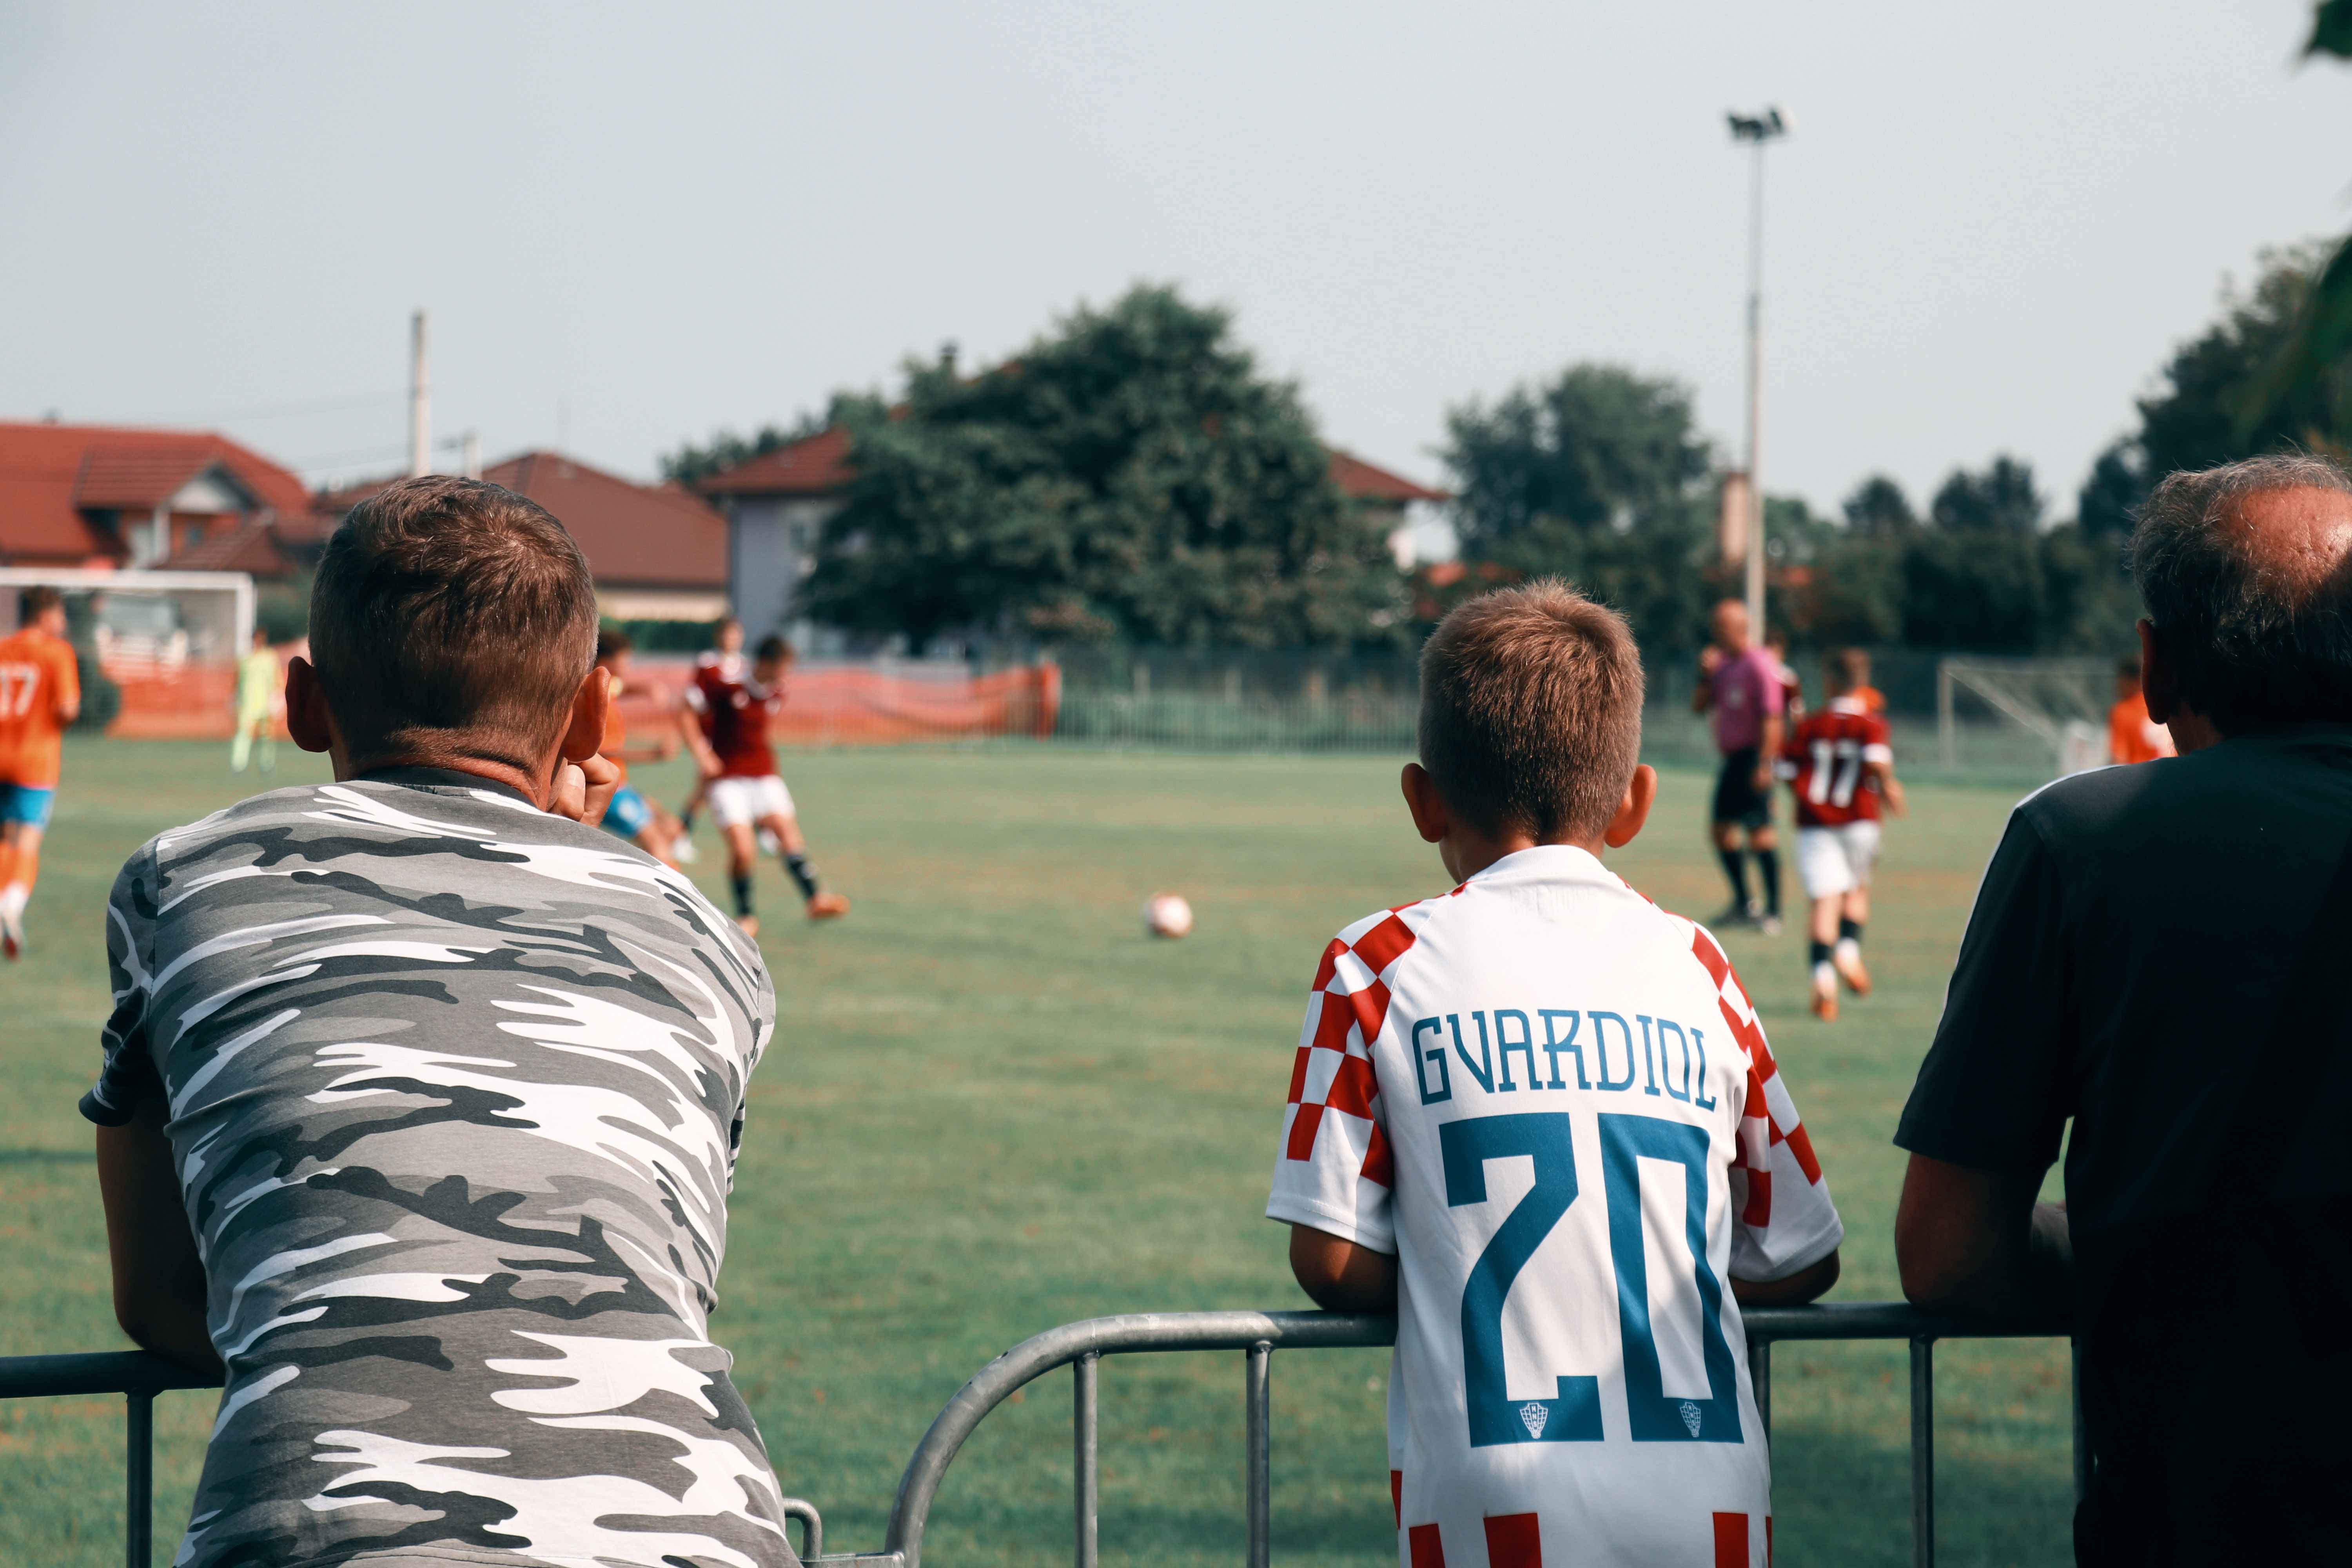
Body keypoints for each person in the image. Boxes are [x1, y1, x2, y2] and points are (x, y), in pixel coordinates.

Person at [83, 476, 802, 1568]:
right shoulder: (707, 936)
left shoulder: (184, 883)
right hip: (691, 1531)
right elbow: (638, 1279)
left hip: (320, 1532)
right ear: (595, 717)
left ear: (302, 703)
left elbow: (164, 1301)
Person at [1272, 581, 1842, 1566]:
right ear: (1635, 802)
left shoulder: (1377, 962)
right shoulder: (1698, 962)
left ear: (1422, 799)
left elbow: (1328, 1259)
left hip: (1495, 1505)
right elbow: (1799, 1250)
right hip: (1712, 1507)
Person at [1893, 454, 2352, 1564]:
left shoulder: (2080, 844)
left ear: (2150, 669)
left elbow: (1952, 1251)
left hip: (2194, 1512)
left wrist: (2143, 1247)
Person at [681, 632, 849, 935]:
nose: (786, 675)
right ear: (766, 663)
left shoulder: (776, 693)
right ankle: (746, 915)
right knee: (744, 851)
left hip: (764, 775)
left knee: (788, 835)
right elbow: (686, 714)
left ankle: (816, 898)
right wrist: (702, 754)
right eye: (783, 667)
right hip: (727, 780)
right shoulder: (726, 686)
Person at [1780, 648, 1905, 1022]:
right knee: (1857, 888)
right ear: (1863, 682)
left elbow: (1786, 770)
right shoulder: (1870, 724)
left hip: (1816, 823)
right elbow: (1878, 764)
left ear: (1829, 681)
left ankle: (1823, 981)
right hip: (1860, 821)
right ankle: (1849, 952)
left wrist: (1802, 797)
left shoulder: (1810, 726)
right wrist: (1891, 790)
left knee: (1823, 902)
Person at [1693, 597, 1786, 932]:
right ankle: (1744, 902)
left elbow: (1772, 718)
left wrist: (1765, 763)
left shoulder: (1759, 665)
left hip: (1753, 758)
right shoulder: (1721, 668)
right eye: (1715, 626)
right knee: (1720, 831)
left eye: (1723, 627)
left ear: (1740, 628)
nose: (1717, 633)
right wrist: (1705, 677)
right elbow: (1699, 707)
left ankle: (1774, 912)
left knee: (1761, 835)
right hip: (1731, 761)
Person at [0, 585, 82, 959]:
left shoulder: (4, 649)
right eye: (61, 614)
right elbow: (67, 707)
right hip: (34, 760)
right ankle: (12, 906)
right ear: (46, 614)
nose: (63, 623)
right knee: (27, 841)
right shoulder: (56, 652)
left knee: (5, 839)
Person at [594, 626, 684, 865]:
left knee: (672, 828)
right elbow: (598, 752)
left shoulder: (607, 687)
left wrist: (646, 689)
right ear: (607, 661)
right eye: (626, 659)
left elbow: (621, 689)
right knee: (658, 849)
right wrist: (653, 754)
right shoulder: (593, 696)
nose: (629, 665)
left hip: (620, 785)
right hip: (606, 788)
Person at [673, 614, 746, 855]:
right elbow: (694, 701)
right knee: (705, 787)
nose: (731, 639)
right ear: (719, 637)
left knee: (745, 781)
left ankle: (763, 832)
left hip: (736, 739)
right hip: (711, 737)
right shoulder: (708, 665)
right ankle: (680, 835)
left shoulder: (745, 667)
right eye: (726, 634)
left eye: (735, 634)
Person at [228, 624, 281, 774]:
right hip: (248, 704)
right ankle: (238, 765)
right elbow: (237, 681)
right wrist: (234, 699)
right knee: (243, 734)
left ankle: (267, 765)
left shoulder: (270, 658)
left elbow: (276, 680)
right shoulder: (245, 659)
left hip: (266, 703)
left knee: (267, 737)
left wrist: (277, 699)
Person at [2104, 653, 2173, 765]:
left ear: (2135, 681)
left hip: (2143, 777)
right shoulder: (2166, 705)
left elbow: (2119, 758)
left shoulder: (2123, 711)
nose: (2117, 687)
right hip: (2172, 772)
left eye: (2120, 680)